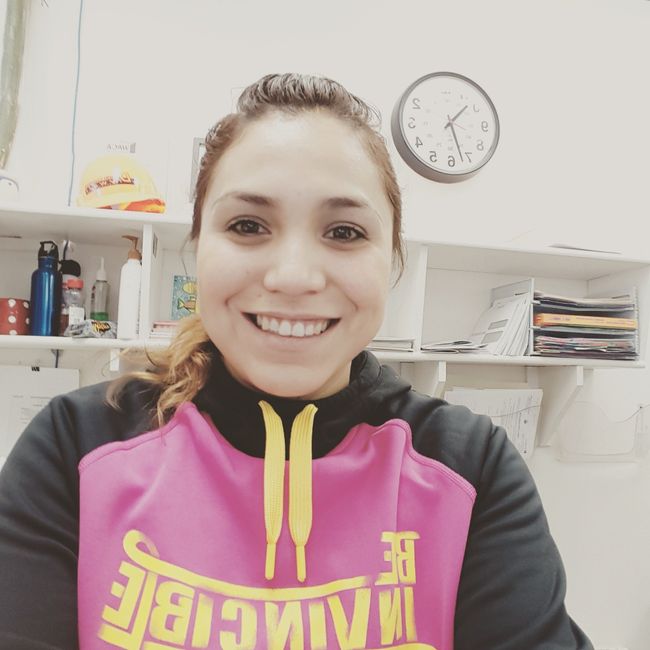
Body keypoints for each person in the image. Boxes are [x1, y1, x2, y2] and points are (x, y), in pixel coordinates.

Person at [0, 73, 593, 650]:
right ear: (199, 246)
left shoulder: (471, 467)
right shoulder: (75, 446)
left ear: (391, 260)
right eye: (248, 225)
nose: (293, 277)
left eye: (344, 232)